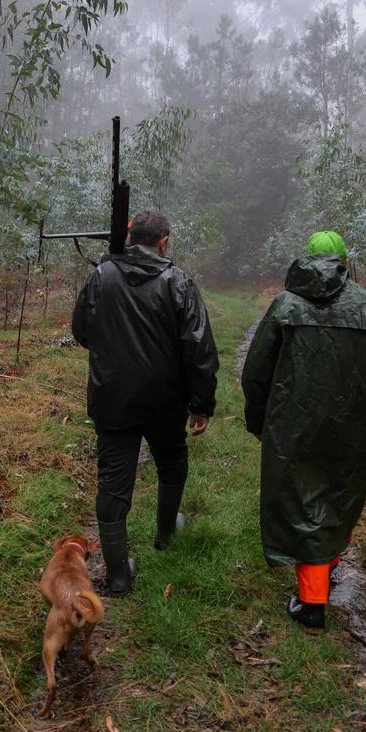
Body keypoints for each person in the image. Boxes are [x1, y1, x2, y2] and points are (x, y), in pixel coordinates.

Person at [241, 231, 366, 630]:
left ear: (306, 260)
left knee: (301, 499)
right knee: (341, 493)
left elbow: (256, 373)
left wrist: (258, 421)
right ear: (344, 263)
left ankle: (312, 604)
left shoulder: (285, 304)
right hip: (355, 423)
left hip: (294, 424)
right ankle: (321, 577)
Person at [72, 211, 219, 596]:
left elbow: (82, 332)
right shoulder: (179, 282)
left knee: (113, 482)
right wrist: (201, 403)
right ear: (163, 242)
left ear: (129, 238)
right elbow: (199, 349)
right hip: (165, 401)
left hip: (113, 399)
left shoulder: (101, 276)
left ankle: (119, 576)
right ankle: (166, 533)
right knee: (172, 461)